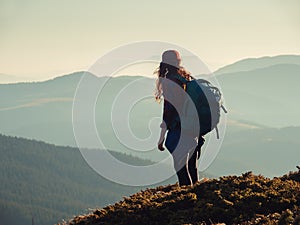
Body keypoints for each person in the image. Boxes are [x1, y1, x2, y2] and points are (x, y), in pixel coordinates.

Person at [155, 50, 204, 186]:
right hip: (195, 129)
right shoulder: (186, 77)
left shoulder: (169, 81)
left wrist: (161, 136)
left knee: (181, 169)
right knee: (192, 167)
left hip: (180, 129)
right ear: (178, 62)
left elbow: (169, 110)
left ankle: (188, 201)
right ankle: (198, 197)